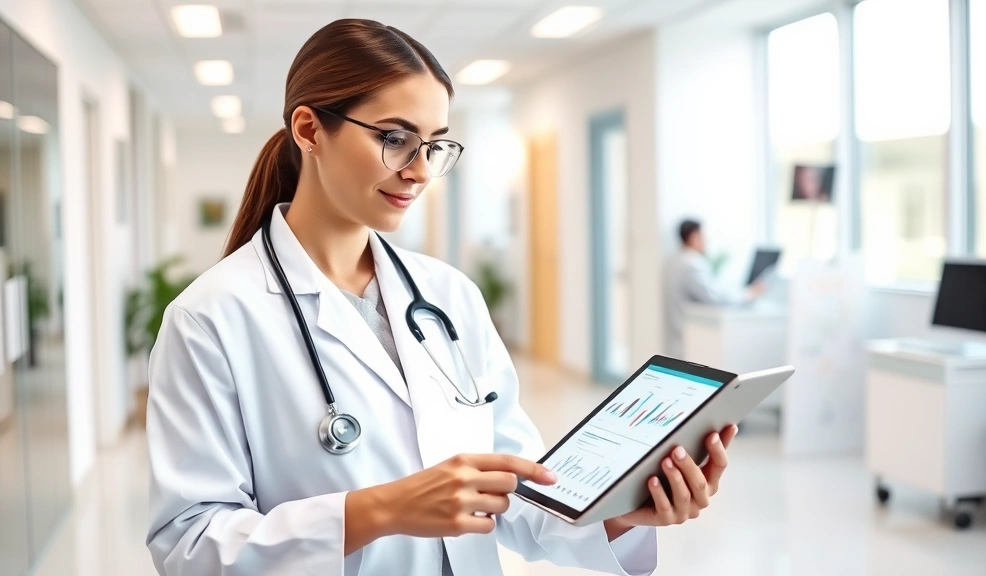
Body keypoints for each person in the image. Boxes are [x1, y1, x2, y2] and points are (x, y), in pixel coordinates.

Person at [145, 19, 738, 576]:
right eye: (395, 138)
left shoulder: (449, 297)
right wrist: (376, 511)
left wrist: (625, 513)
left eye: (435, 145)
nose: (420, 170)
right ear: (308, 130)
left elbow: (516, 491)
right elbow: (189, 543)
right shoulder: (211, 317)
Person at [663, 219, 765, 357]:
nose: (707, 240)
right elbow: (715, 298)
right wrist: (748, 294)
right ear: (693, 237)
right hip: (691, 335)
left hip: (678, 334)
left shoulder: (674, 260)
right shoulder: (692, 263)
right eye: (703, 236)